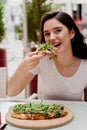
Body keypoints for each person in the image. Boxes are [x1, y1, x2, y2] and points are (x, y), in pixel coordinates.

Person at [8, 11, 87, 101]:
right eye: (47, 34)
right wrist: (24, 65)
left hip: (75, 113)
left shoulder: (85, 64)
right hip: (46, 114)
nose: (52, 38)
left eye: (58, 30)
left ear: (72, 33)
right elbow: (11, 92)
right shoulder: (42, 59)